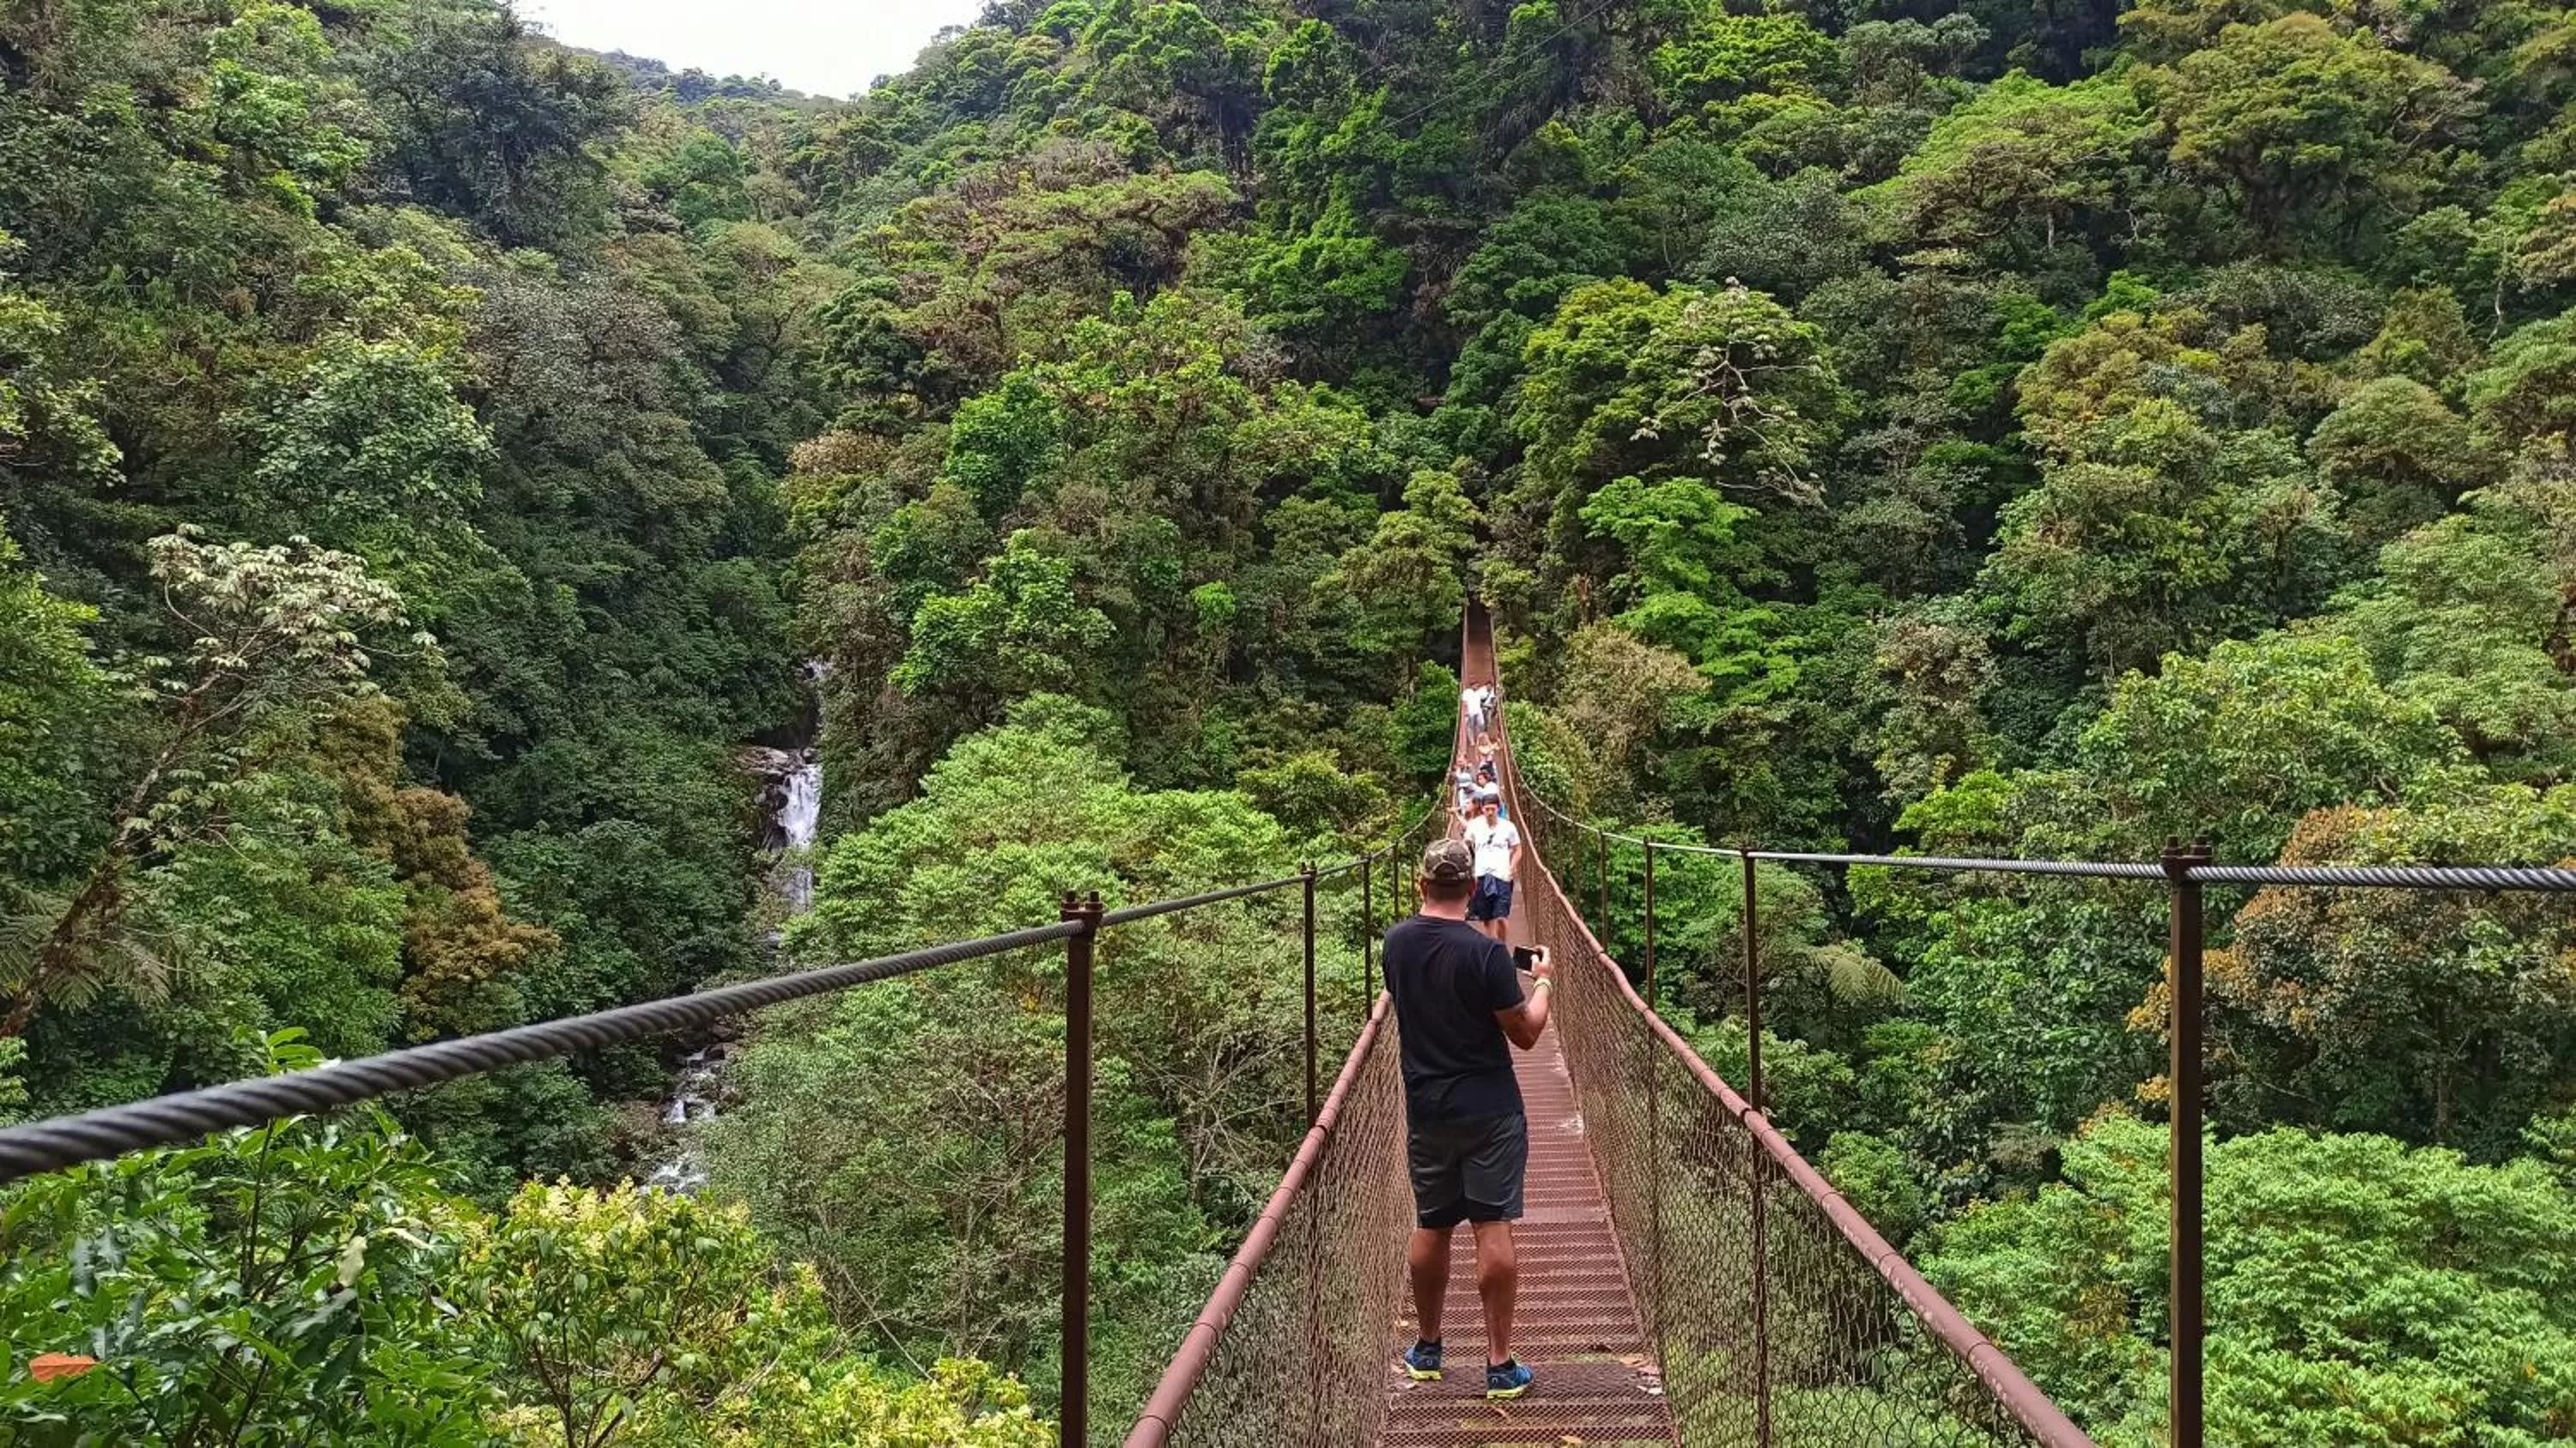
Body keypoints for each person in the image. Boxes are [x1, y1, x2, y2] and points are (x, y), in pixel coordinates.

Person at [1382, 839, 1557, 1401]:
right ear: (1476, 889)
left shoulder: (1395, 943)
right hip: (1490, 1111)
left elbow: (1423, 982)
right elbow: (1527, 1034)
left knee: (1432, 1223)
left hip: (1428, 1109)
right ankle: (1500, 1366)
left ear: (1420, 885)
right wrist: (1545, 982)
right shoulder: (1485, 955)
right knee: (1491, 1224)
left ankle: (1428, 1349)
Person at [1463, 796, 1521, 942]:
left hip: (1502, 876)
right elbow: (1465, 844)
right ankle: (1493, 947)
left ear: (1498, 809)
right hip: (1482, 876)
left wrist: (1512, 867)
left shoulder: (1508, 827)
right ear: (1482, 809)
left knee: (1501, 917)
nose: (1490, 812)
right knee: (1487, 918)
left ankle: (1501, 947)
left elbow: (1518, 849)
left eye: (1493, 809)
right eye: (1487, 809)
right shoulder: (1474, 825)